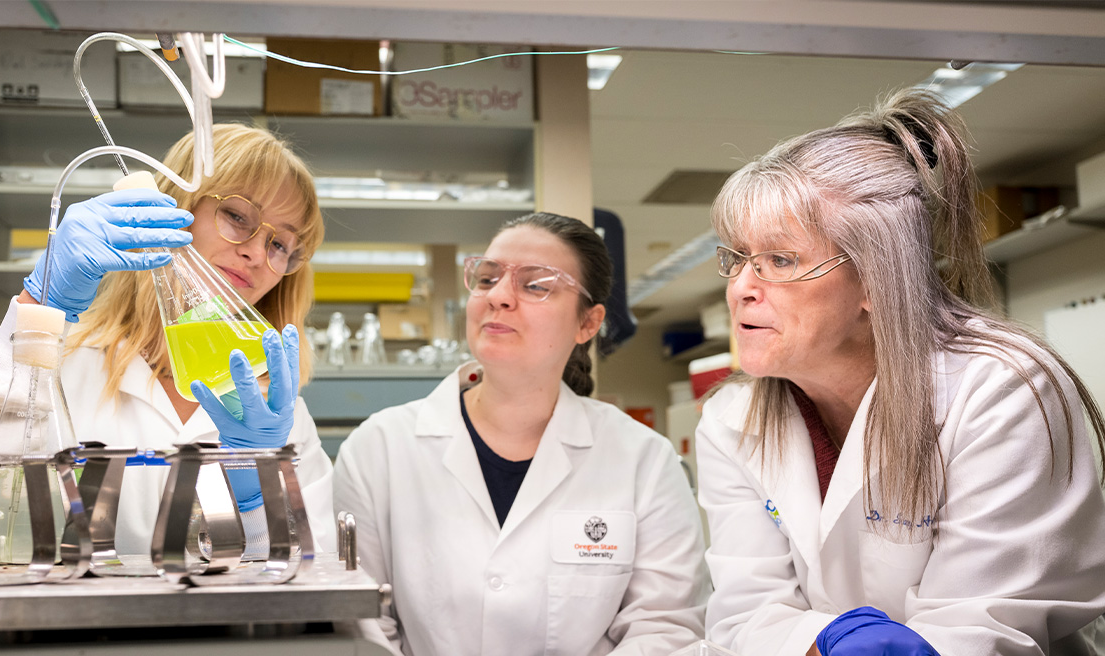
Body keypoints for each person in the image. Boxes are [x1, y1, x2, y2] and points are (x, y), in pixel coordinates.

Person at [696, 88, 1105, 656]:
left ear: (874, 280)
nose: (740, 287)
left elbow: (984, 626)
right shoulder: (731, 418)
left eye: (780, 260)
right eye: (737, 258)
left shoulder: (999, 387)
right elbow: (745, 612)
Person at [0, 123, 335, 559]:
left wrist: (257, 496)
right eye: (237, 216)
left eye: (281, 246)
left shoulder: (277, 412)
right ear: (172, 208)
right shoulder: (59, 363)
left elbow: (310, 574)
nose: (257, 253)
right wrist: (36, 315)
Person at [334, 213, 709, 656]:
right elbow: (363, 621)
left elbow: (665, 626)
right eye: (487, 278)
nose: (499, 297)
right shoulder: (379, 448)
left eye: (535, 285)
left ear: (587, 323)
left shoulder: (644, 461)